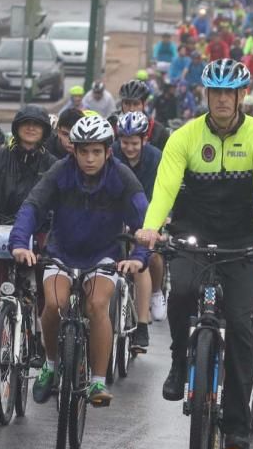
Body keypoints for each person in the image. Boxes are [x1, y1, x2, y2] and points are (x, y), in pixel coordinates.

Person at [135, 59, 253, 449]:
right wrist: (152, 227)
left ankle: (236, 422)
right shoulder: (184, 136)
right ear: (206, 94)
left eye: (229, 93)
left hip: (243, 241)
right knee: (182, 291)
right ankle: (180, 360)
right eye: (215, 92)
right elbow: (164, 189)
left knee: (239, 325)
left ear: (242, 95)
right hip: (193, 235)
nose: (221, 99)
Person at [11, 115, 149, 408]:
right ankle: (50, 364)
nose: (89, 158)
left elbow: (143, 222)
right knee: (55, 304)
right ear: (73, 150)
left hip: (103, 255)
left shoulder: (122, 176)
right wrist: (20, 243)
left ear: (108, 152)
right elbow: (32, 207)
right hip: (61, 252)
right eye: (83, 151)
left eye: (96, 152)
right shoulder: (60, 172)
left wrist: (138, 257)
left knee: (98, 305)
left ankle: (98, 380)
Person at [0, 105, 55, 400]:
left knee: (49, 298)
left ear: (44, 131)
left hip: (39, 236)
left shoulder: (53, 165)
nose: (31, 129)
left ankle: (48, 357)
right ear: (17, 128)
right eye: (26, 124)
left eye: (37, 125)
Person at [115, 111, 164, 347]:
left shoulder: (156, 158)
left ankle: (143, 322)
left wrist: (154, 224)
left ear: (145, 140)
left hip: (149, 215)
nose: (129, 148)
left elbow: (162, 192)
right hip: (118, 213)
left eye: (134, 143)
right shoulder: (112, 154)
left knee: (143, 261)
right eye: (124, 142)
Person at [118, 80, 170, 150]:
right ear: (121, 104)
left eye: (136, 104)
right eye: (127, 103)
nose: (131, 109)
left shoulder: (159, 132)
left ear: (144, 104)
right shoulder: (113, 127)